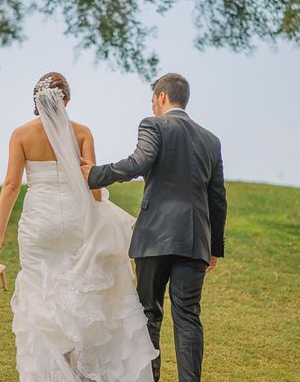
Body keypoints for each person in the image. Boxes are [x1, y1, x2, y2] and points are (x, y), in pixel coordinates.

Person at [0, 71, 158, 381]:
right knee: (80, 294)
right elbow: (93, 187)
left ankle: (53, 371)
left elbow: (12, 185)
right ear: (66, 100)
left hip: (39, 226)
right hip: (78, 224)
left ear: (36, 101)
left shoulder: (21, 135)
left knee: (43, 295)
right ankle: (80, 371)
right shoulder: (81, 133)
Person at [81, 72, 227, 382]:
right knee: (188, 317)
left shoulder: (153, 124)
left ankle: (150, 377)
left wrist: (94, 175)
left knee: (149, 312)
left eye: (153, 101)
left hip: (154, 237)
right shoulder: (211, 140)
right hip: (193, 241)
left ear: (161, 97)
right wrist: (214, 247)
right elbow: (218, 199)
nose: (153, 106)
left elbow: (138, 163)